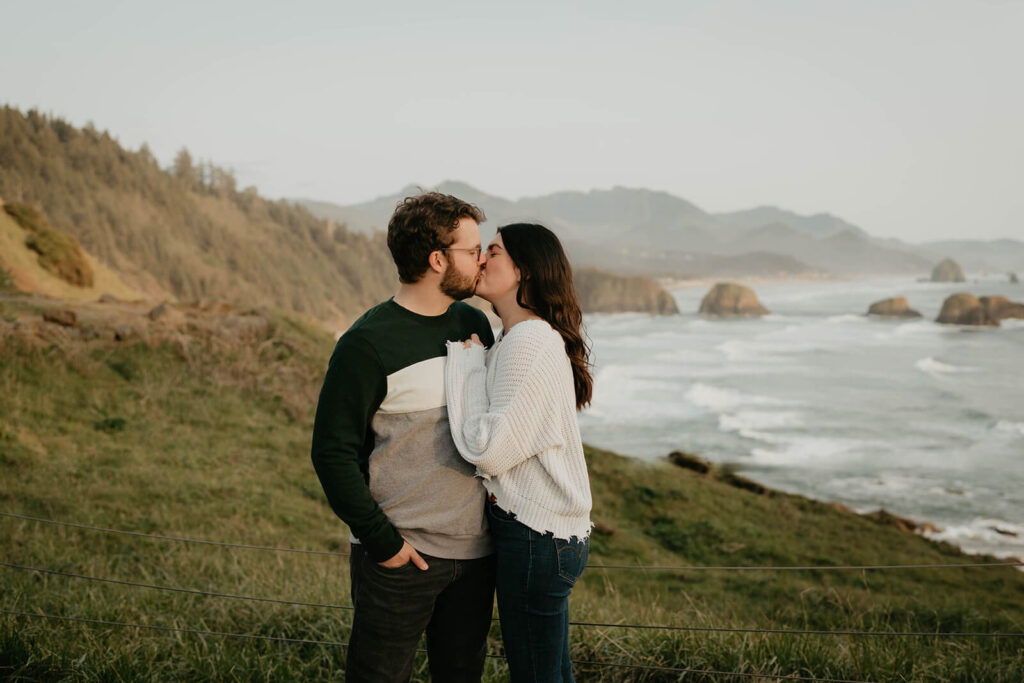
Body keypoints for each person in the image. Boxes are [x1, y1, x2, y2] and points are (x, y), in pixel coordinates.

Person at [311, 192, 497, 683]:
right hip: (401, 560)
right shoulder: (365, 344)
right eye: (472, 250)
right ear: (437, 260)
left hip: (476, 557)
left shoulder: (473, 323)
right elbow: (332, 453)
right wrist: (383, 544)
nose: (482, 260)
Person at [445, 223, 594, 683]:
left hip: (535, 536)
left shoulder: (529, 341)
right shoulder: (516, 337)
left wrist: (467, 368)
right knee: (551, 673)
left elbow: (487, 451)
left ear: (524, 270)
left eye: (493, 250)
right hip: (544, 535)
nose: (482, 259)